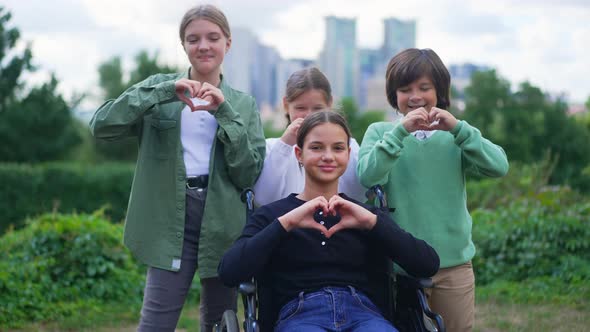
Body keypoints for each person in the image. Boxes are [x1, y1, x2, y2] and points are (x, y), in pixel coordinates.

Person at [89, 5, 265, 331]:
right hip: (169, 217)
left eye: (213, 37)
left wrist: (224, 112)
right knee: (156, 322)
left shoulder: (243, 104)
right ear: (183, 45)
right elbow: (102, 126)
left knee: (220, 322)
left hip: (223, 221)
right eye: (193, 38)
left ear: (228, 43)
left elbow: (248, 174)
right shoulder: (160, 90)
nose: (203, 46)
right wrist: (165, 91)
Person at [218, 111, 440, 332]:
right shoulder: (273, 215)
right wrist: (285, 224)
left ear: (348, 154)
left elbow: (427, 264)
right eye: (316, 147)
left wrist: (373, 223)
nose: (328, 156)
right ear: (299, 154)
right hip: (299, 314)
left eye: (337, 148)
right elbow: (230, 271)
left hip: (364, 313)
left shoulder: (364, 215)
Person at [357, 48, 509, 332]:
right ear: (394, 95)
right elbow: (368, 175)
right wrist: (400, 132)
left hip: (454, 265)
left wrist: (459, 129)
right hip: (400, 267)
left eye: (424, 87)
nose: (415, 96)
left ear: (439, 90)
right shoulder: (380, 132)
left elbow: (498, 166)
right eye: (405, 89)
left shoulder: (456, 135)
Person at [253, 67, 366, 206]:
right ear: (286, 105)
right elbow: (263, 198)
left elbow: (359, 195)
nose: (309, 116)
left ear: (329, 104)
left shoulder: (347, 145)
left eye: (317, 108)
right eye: (300, 108)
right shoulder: (271, 147)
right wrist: (284, 144)